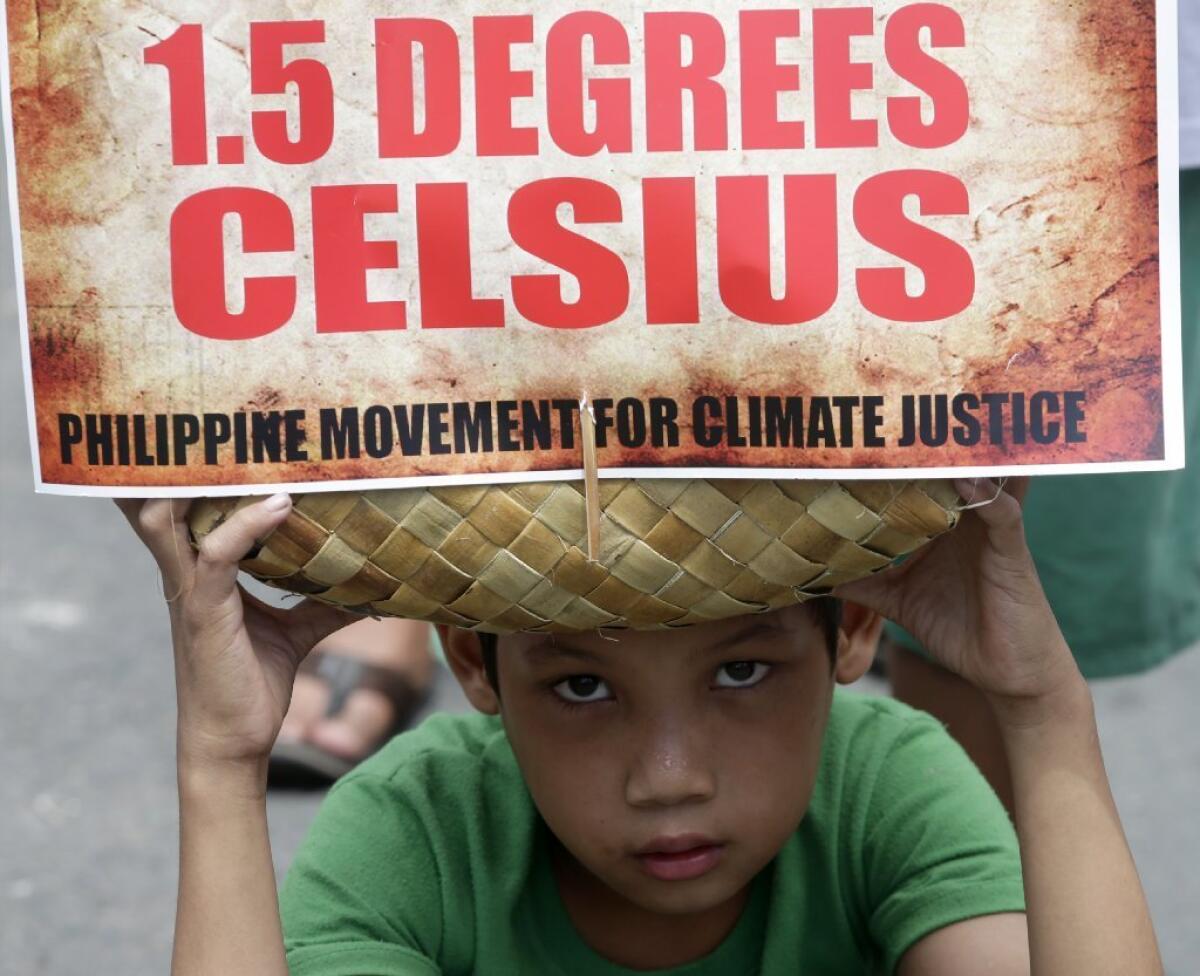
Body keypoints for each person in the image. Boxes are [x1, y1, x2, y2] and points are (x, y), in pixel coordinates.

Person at [117, 479, 1162, 975]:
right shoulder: (420, 833)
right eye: (582, 687)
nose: (669, 778)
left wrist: (1045, 713)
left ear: (849, 634)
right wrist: (220, 764)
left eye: (742, 670)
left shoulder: (885, 788)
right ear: (474, 661)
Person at [885, 18, 1200, 813]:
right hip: (962, 92)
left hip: (1137, 98)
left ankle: (996, 906)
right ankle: (975, 902)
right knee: (961, 583)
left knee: (1024, 587)